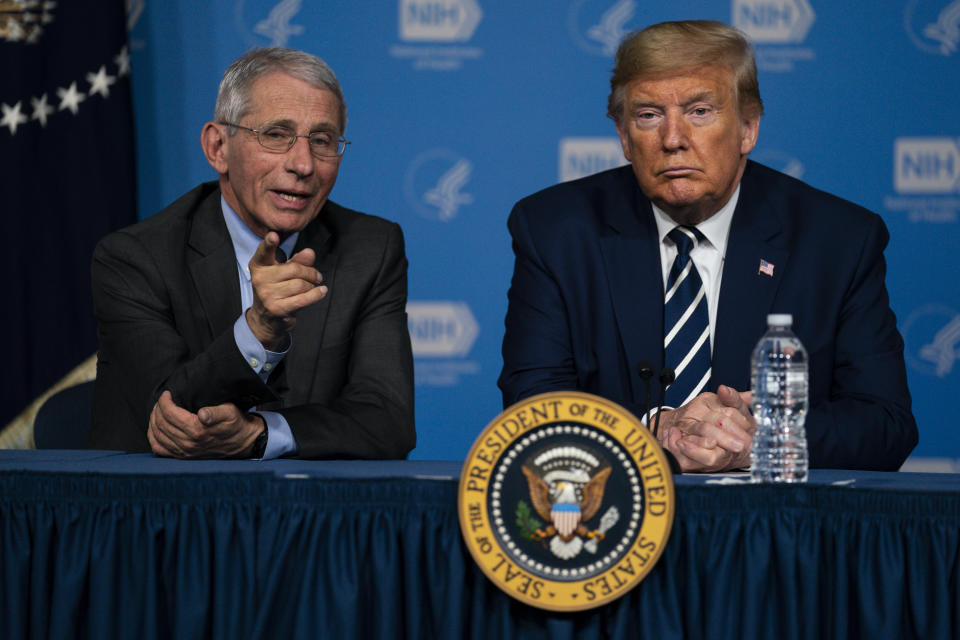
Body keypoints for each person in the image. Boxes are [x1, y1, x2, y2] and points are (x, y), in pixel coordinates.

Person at [498, 20, 917, 472]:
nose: (673, 139)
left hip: (774, 530)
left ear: (748, 129)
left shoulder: (838, 239)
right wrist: (651, 430)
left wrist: (761, 439)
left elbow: (885, 424)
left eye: (700, 111)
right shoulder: (556, 230)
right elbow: (531, 413)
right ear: (623, 137)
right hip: (613, 520)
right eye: (648, 115)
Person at [89, 48, 415, 459]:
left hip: (310, 514)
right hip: (166, 510)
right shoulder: (135, 258)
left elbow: (389, 422)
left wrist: (263, 434)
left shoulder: (371, 249)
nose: (303, 164)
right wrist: (259, 329)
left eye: (322, 140)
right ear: (218, 148)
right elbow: (177, 419)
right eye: (276, 135)